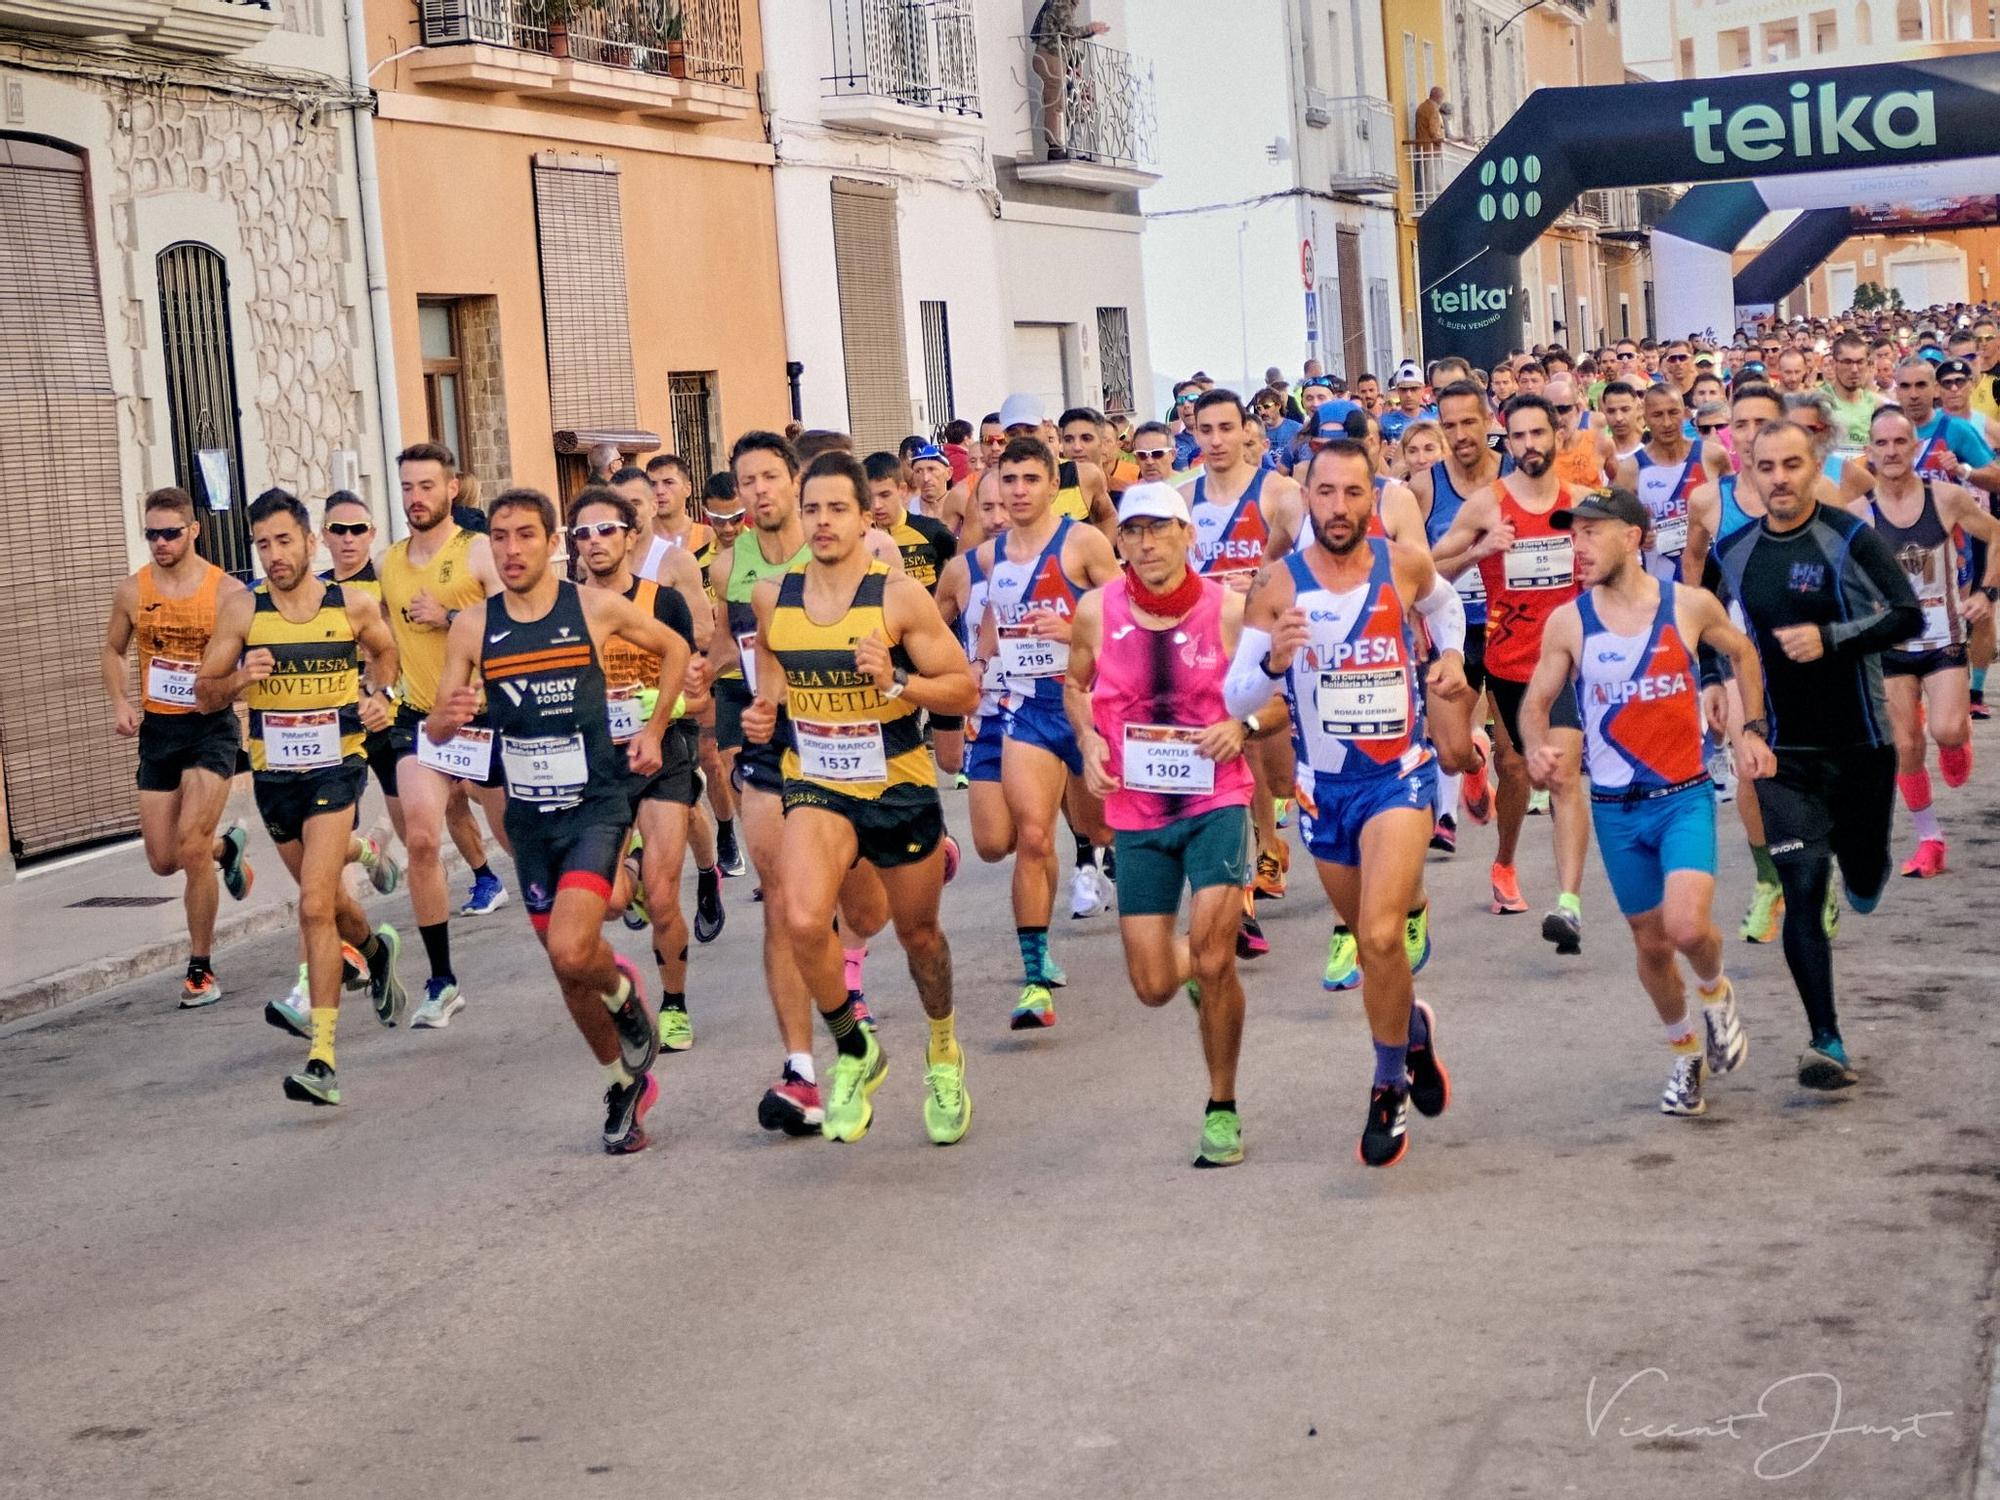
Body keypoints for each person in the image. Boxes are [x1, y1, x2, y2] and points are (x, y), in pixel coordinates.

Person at [1226, 439, 1473, 1168]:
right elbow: (1239, 698)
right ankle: (1413, 1032)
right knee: (1372, 942)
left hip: (1397, 775)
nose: (1339, 507)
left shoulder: (1401, 565)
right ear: (1307, 500)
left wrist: (1450, 656)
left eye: (1352, 493)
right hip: (1320, 788)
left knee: (1379, 935)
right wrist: (1273, 659)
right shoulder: (1276, 585)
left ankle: (1387, 1081)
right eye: (1325, 493)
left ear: (1374, 498)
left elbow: (1447, 607)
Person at [429, 487, 688, 1153]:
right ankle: (621, 1081)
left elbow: (675, 650)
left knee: (576, 949)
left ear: (552, 544)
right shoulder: (472, 626)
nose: (511, 550)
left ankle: (626, 991)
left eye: (525, 536)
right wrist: (446, 719)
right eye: (500, 537)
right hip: (529, 821)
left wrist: (656, 728)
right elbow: (437, 719)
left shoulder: (594, 607)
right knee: (565, 965)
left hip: (595, 806)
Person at [744, 451, 980, 1144]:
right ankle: (855, 1047)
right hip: (816, 782)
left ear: (863, 515)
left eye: (836, 508)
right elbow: (772, 685)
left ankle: (942, 1048)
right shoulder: (774, 598)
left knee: (919, 937)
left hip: (897, 784)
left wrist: (896, 682)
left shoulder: (896, 597)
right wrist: (763, 714)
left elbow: (963, 689)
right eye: (811, 508)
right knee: (802, 917)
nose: (821, 521)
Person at [1519, 489, 1767, 1117]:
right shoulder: (1569, 621)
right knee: (1652, 946)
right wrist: (1533, 748)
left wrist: (1752, 725)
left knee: (1686, 927)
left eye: (1592, 533)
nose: (1578, 546)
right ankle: (1684, 1054)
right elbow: (1537, 700)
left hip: (1682, 796)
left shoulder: (1688, 604)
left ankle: (1715, 993)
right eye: (1572, 535)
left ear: (1632, 536)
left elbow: (1740, 651)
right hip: (1615, 807)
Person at [1713, 420, 1922, 1089]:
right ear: (1749, 467)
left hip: (1862, 743)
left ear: (1815, 467)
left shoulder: (1849, 536)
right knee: (1802, 887)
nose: (1778, 478)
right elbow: (1704, 627)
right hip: (1781, 751)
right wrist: (1721, 694)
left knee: (1860, 878)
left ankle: (1863, 870)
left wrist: (1831, 638)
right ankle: (1825, 1039)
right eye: (1766, 465)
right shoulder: (1734, 549)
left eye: (1792, 465)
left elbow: (1907, 615)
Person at [1068, 485, 1270, 1166]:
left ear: (1189, 535)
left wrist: (1238, 726)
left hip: (1216, 802)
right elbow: (1076, 684)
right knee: (1154, 986)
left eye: (1160, 530)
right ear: (1118, 543)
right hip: (1137, 811)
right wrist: (1091, 744)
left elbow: (1276, 698)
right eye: (1133, 533)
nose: (1146, 544)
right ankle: (1192, 973)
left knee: (1216, 958)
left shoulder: (1232, 613)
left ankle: (1221, 1107)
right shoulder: (1096, 612)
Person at [194, 490, 407, 1105]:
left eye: (284, 541)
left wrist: (379, 697)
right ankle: (375, 948)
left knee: (313, 905)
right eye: (262, 544)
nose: (274, 554)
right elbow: (205, 695)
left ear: (310, 543)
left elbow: (387, 651)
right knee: (332, 903)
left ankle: (323, 1058)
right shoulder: (242, 611)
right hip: (275, 780)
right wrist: (240, 678)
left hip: (337, 770)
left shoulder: (352, 604)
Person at [1432, 394, 1591, 951]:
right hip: (1503, 656)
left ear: (1556, 437)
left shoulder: (1582, 505)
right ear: (1509, 440)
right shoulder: (1487, 504)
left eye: (1538, 434)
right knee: (1485, 761)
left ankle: (1560, 900)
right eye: (1518, 436)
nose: (1529, 445)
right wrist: (1480, 551)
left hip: (1560, 663)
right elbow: (1429, 567)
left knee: (1554, 774)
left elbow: (1619, 573)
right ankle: (1474, 766)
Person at [973, 435, 1120, 1027]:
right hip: (1027, 709)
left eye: (1031, 479)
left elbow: (1126, 617)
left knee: (1102, 826)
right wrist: (980, 666)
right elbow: (991, 617)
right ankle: (1036, 976)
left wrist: (1072, 633)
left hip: (1085, 705)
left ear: (1053, 485)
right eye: (1009, 480)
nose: (1019, 491)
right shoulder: (992, 554)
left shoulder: (1081, 542)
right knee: (1032, 838)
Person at [101, 486, 254, 1005]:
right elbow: (113, 648)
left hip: (210, 728)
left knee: (189, 846)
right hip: (159, 732)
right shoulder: (131, 590)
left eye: (170, 532)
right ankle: (226, 848)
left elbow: (240, 666)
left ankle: (201, 968)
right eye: (152, 534)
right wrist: (121, 700)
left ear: (194, 531)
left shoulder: (226, 592)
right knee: (164, 860)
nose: (160, 542)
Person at [569, 487, 703, 1051]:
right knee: (616, 900)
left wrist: (657, 710)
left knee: (666, 895)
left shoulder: (661, 602)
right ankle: (639, 878)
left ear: (629, 535)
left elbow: (699, 697)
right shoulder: (564, 610)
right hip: (600, 766)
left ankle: (673, 1005)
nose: (595, 542)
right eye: (583, 533)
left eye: (606, 530)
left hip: (661, 755)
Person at [378, 442, 507, 1028]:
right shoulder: (390, 562)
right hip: (422, 722)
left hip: (485, 718)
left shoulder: (477, 551)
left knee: (520, 844)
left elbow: (514, 629)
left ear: (452, 488)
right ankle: (442, 979)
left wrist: (451, 618)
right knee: (423, 842)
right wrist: (377, 691)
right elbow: (384, 642)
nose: (415, 498)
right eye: (407, 487)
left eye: (426, 486)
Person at [1848, 406, 2000, 878]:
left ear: (1916, 448)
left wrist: (1987, 593)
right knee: (1905, 745)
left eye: (1901, 443)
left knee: (1947, 731)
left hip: (1943, 636)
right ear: (1869, 452)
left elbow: (1995, 533)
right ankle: (1929, 840)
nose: (1892, 452)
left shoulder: (1947, 498)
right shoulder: (1858, 513)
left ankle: (1958, 741)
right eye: (1882, 444)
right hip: (1889, 646)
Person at [1180, 390, 1307, 924]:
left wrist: (1263, 584)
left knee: (1278, 776)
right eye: (1204, 430)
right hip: (1209, 647)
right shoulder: (1182, 501)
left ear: (1246, 432)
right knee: (1239, 752)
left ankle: (1273, 837)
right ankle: (1251, 862)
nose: (1215, 440)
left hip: (1270, 641)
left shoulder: (1279, 493)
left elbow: (1314, 565)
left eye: (1225, 428)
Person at [1612, 383, 1728, 583]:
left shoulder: (1712, 456)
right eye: (1658, 415)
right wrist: (1636, 536)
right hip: (1661, 584)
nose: (1667, 423)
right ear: (1645, 418)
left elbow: (1734, 510)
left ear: (1684, 414)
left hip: (1713, 578)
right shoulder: (1631, 468)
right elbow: (1613, 527)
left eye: (1673, 413)